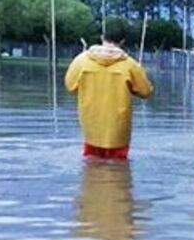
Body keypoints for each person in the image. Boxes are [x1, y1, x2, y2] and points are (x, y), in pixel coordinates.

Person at [65, 25, 153, 159]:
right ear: (122, 42)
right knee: (118, 165)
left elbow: (70, 86)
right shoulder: (130, 65)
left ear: (102, 38)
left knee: (91, 164)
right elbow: (146, 91)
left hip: (91, 123)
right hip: (118, 127)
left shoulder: (81, 61)